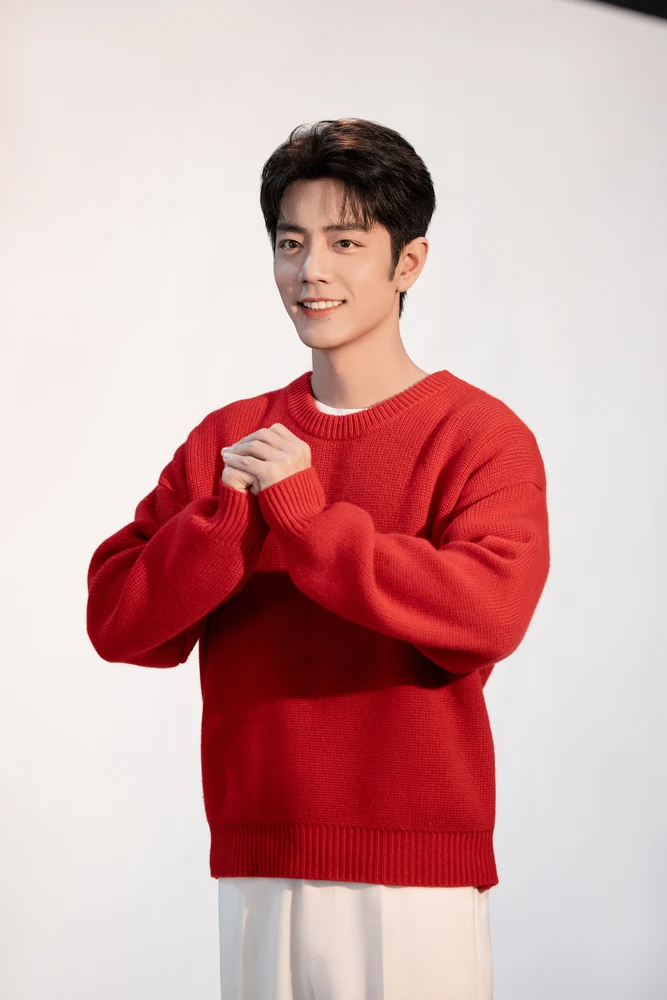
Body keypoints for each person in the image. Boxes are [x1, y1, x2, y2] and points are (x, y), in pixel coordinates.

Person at [87, 118, 550, 999]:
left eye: (345, 242)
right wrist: (225, 524)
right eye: (290, 243)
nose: (311, 272)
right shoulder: (230, 440)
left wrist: (303, 520)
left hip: (415, 872)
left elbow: (487, 615)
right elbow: (119, 622)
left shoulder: (479, 435)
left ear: (407, 263)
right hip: (257, 859)